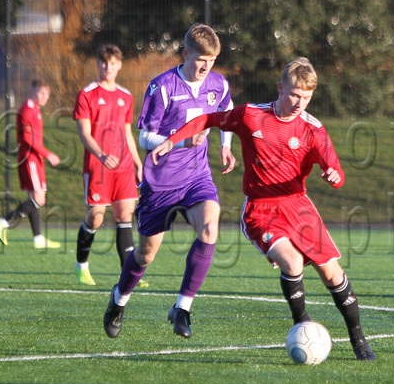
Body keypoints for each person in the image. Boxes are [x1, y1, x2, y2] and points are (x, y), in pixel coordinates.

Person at [150, 57, 376, 360]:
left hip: (299, 207)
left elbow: (335, 168)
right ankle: (302, 325)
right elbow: (207, 119)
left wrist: (334, 176)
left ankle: (359, 341)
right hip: (261, 209)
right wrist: (171, 141)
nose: (299, 102)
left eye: (306, 97)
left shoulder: (313, 129)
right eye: (294, 94)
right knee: (292, 264)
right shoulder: (251, 116)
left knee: (332, 275)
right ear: (280, 88)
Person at [103, 23, 236, 339]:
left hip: (196, 177)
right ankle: (119, 300)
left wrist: (226, 146)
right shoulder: (162, 87)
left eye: (212, 60)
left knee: (210, 227)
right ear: (186, 53)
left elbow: (227, 115)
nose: (206, 67)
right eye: (201, 59)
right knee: (146, 254)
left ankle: (182, 308)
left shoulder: (218, 84)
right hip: (160, 182)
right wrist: (179, 141)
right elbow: (145, 136)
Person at [73, 44, 143, 285]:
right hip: (98, 166)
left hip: (123, 167)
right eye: (104, 62)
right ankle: (81, 265)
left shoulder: (125, 96)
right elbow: (84, 132)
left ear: (119, 65)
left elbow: (127, 133)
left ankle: (129, 275)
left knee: (125, 215)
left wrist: (137, 162)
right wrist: (102, 155)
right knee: (97, 217)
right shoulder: (87, 94)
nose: (108, 67)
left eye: (113, 63)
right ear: (98, 64)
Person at [0, 79, 61, 249]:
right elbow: (29, 140)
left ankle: (38, 238)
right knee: (39, 199)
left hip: (34, 159)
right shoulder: (27, 111)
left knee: (34, 198)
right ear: (33, 91)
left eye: (47, 94)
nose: (44, 97)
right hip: (30, 159)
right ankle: (3, 221)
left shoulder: (35, 110)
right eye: (41, 93)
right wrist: (48, 154)